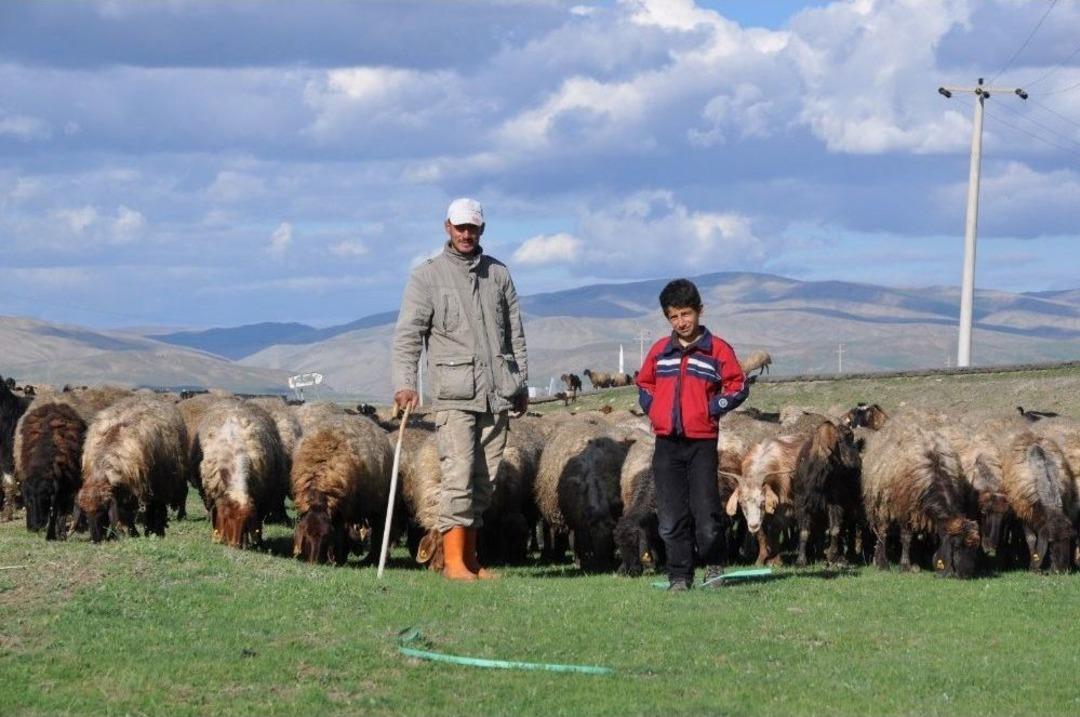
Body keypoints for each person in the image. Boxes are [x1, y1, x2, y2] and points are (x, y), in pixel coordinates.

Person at [392, 198, 529, 581]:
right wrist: (405, 382)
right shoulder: (427, 276)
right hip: (454, 393)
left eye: (473, 227)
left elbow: (514, 333)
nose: (466, 234)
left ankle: (471, 560)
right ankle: (452, 563)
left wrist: (520, 383)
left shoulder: (498, 274)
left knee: (485, 479)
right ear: (447, 227)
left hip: (497, 391)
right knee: (458, 475)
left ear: (482, 229)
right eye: (460, 227)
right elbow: (408, 335)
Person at [635, 278, 748, 591]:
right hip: (667, 443)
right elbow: (644, 384)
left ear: (700, 310)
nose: (681, 322)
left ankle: (713, 567)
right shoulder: (660, 351)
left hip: (701, 442)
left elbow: (738, 385)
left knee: (706, 512)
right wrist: (654, 409)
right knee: (670, 516)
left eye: (686, 314)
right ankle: (680, 576)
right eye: (673, 316)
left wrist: (712, 408)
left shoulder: (717, 349)